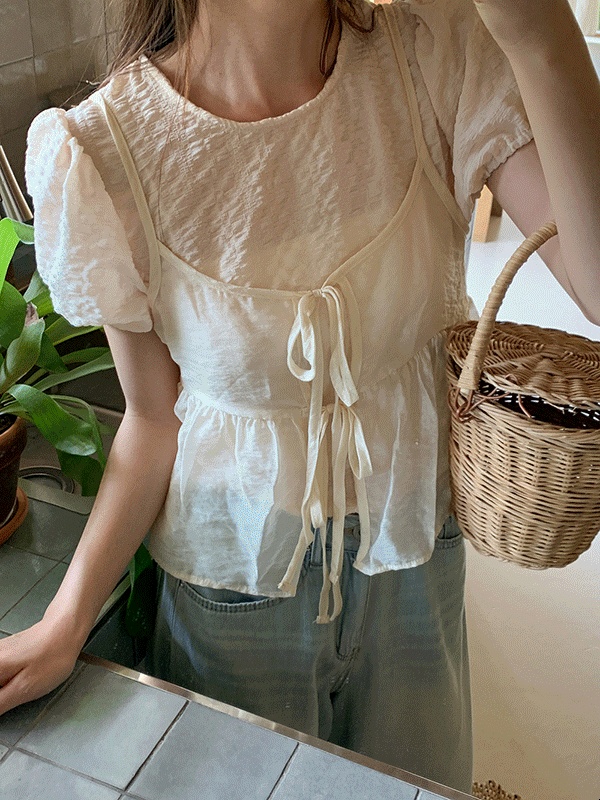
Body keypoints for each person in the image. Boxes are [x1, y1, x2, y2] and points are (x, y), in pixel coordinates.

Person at [2, 0, 599, 794]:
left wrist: (541, 35)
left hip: (413, 555)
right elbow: (151, 420)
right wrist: (65, 619)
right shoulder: (106, 148)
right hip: (233, 585)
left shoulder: (434, 58)